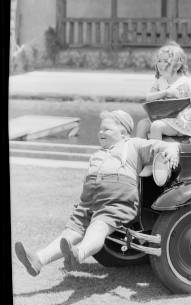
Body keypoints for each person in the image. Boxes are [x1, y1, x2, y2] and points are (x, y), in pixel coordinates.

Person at [14, 110, 180, 276]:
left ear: (123, 133)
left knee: (99, 226)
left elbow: (166, 146)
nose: (101, 132)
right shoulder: (98, 153)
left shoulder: (134, 144)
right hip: (90, 197)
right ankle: (39, 259)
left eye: (106, 130)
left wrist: (171, 150)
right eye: (100, 129)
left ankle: (79, 253)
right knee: (72, 230)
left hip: (117, 197)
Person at [135, 41, 191, 141]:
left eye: (165, 61)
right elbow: (147, 97)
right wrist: (165, 93)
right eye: (159, 61)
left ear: (177, 65)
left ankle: (159, 153)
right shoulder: (159, 82)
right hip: (163, 118)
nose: (160, 64)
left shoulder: (187, 83)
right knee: (142, 124)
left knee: (156, 126)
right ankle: (138, 151)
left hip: (181, 123)